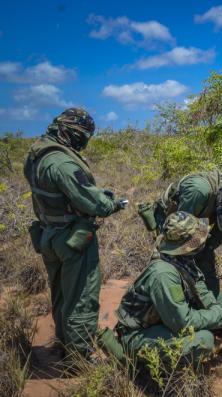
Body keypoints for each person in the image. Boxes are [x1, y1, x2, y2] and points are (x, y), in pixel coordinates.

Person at [23, 108, 127, 358]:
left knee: (60, 294)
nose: (84, 142)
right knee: (81, 296)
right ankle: (79, 356)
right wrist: (113, 203)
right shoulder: (62, 163)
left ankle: (64, 342)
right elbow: (96, 204)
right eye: (82, 136)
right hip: (72, 239)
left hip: (48, 234)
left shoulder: (36, 155)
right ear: (69, 132)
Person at [138, 166, 222, 337]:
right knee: (177, 272)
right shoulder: (199, 191)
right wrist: (193, 257)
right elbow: (179, 230)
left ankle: (213, 320)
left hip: (198, 229)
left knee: (206, 267)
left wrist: (207, 249)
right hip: (176, 230)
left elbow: (220, 231)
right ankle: (180, 319)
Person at [112, 211, 222, 364]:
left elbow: (199, 287)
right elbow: (183, 322)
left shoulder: (181, 258)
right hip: (137, 334)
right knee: (204, 340)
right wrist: (217, 315)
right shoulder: (164, 274)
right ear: (184, 246)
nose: (203, 240)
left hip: (161, 321)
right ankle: (139, 364)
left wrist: (214, 308)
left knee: (221, 299)